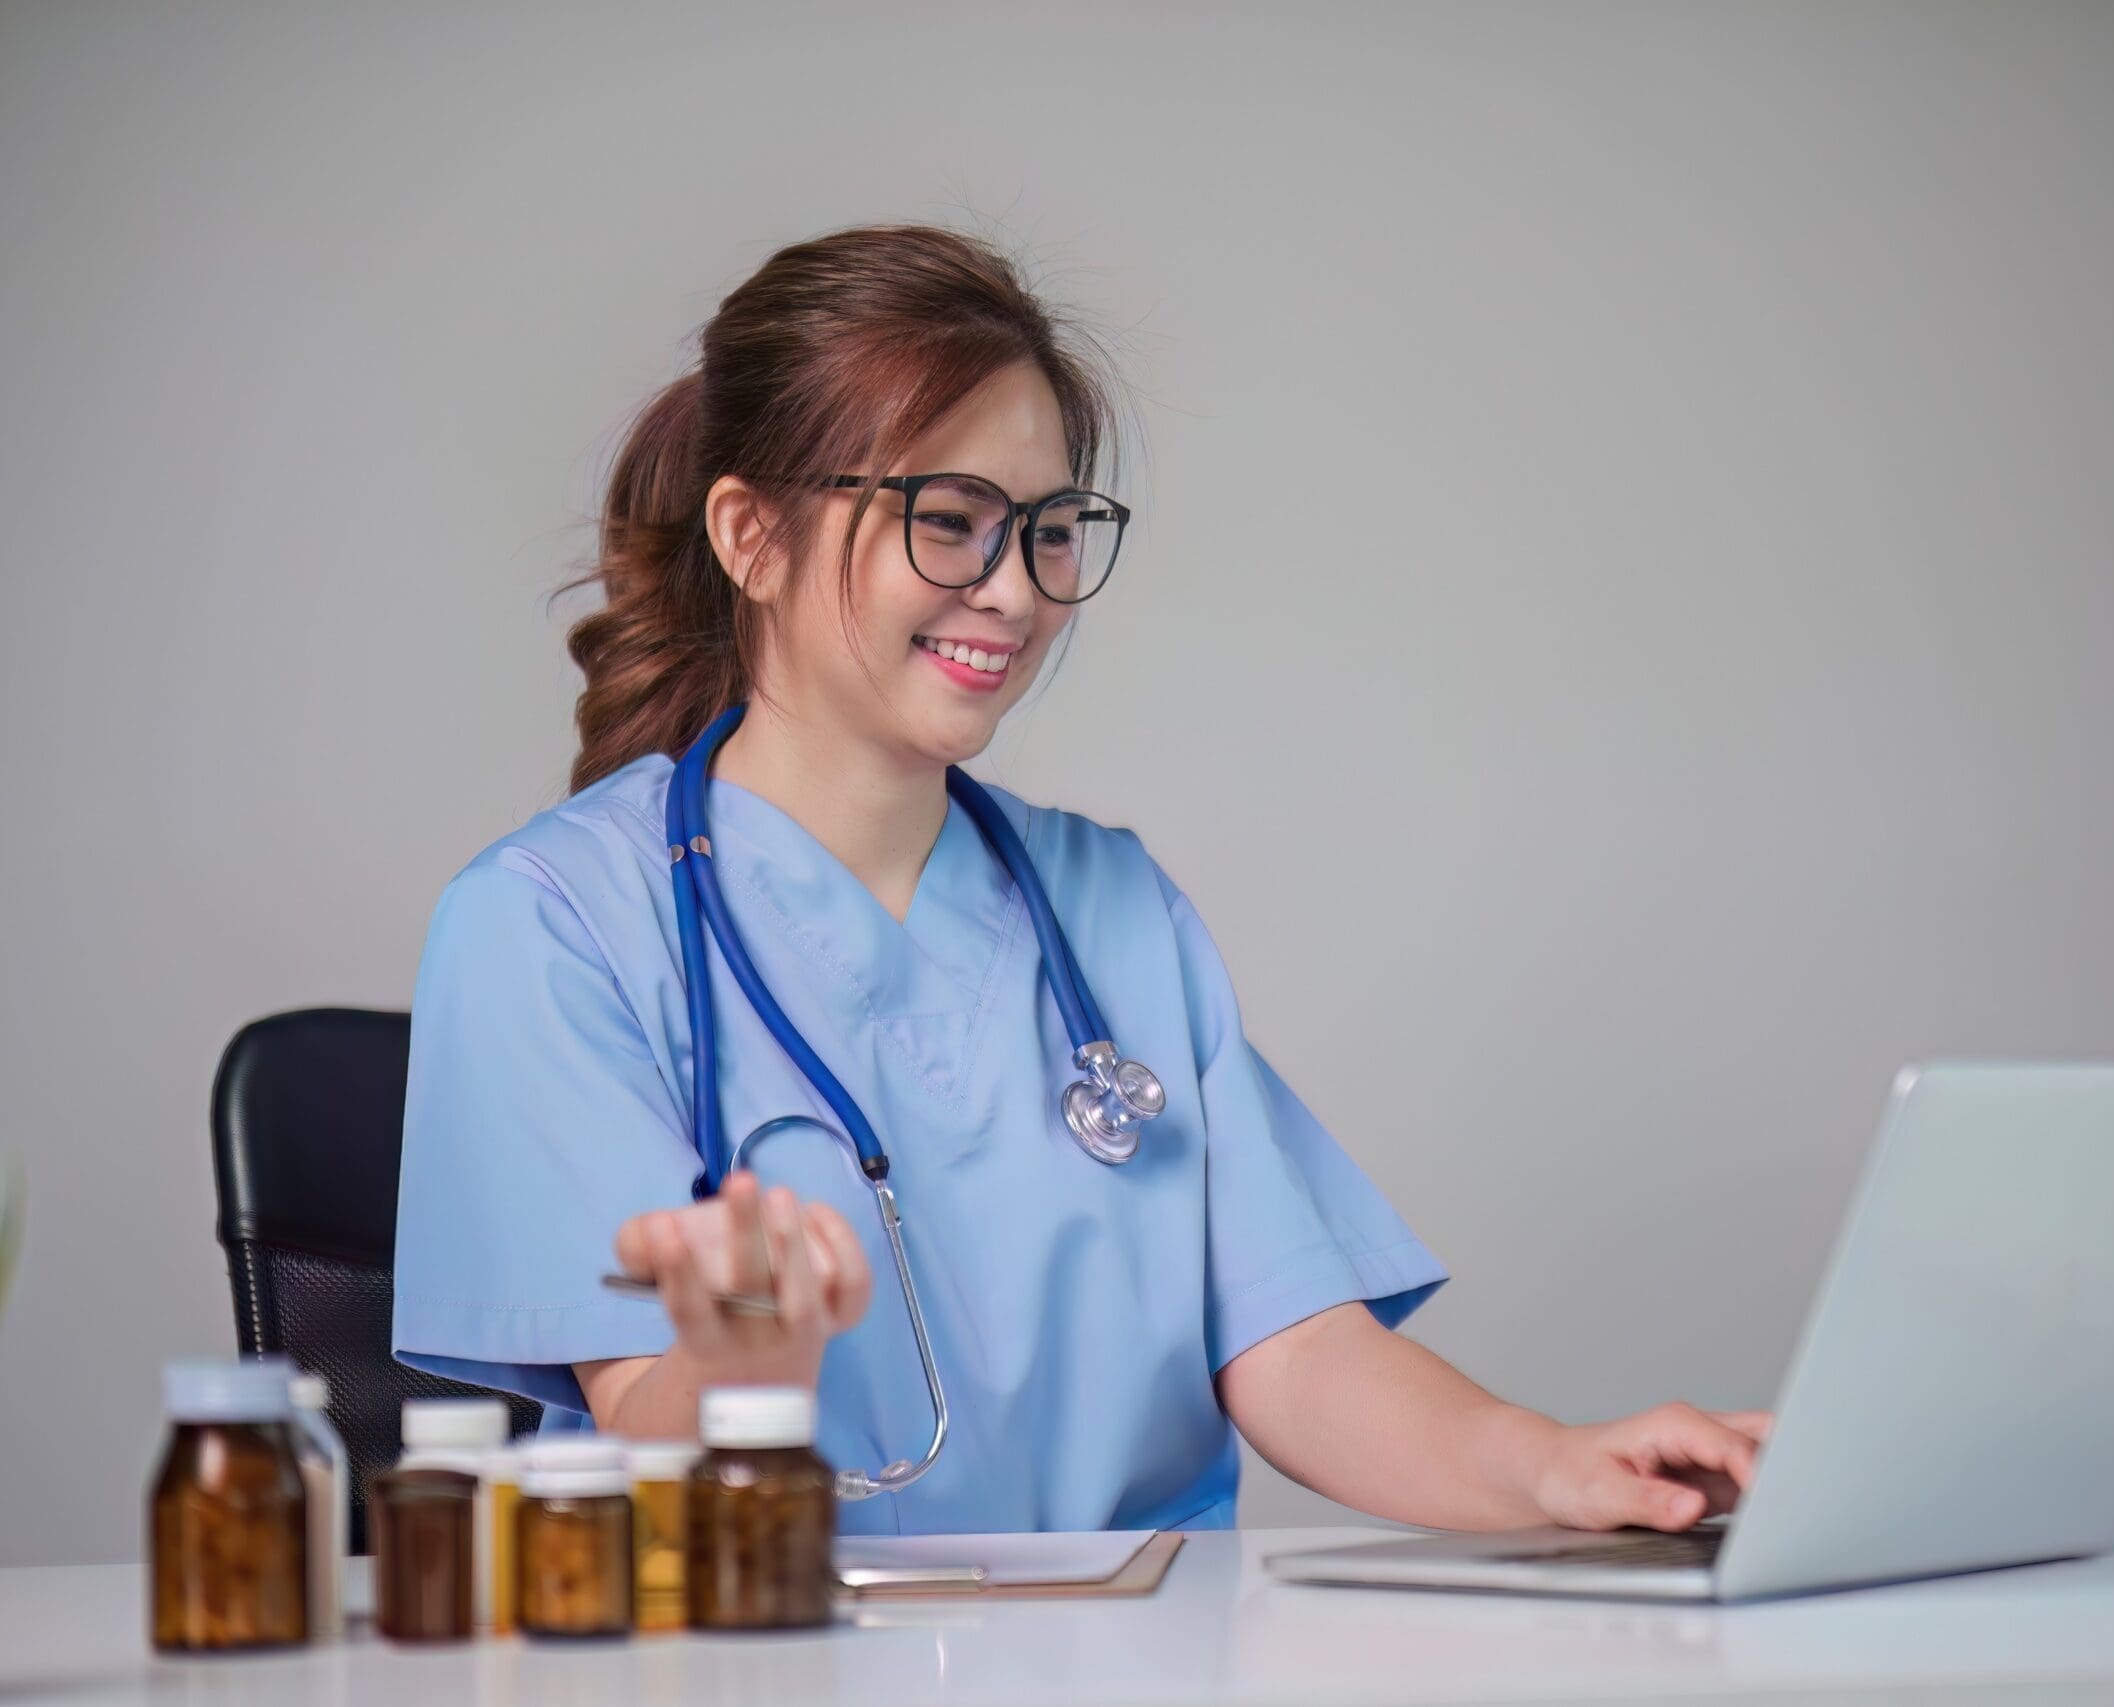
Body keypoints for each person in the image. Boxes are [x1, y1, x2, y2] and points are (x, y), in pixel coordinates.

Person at [391, 223, 1768, 1535]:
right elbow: (648, 1439)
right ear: (750, 537)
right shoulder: (553, 923)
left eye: (1050, 527)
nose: (1013, 590)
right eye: (952, 517)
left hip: (1145, 1649)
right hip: (785, 1649)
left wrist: (1555, 1467)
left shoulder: (1107, 903)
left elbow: (1290, 1344)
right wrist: (750, 1359)